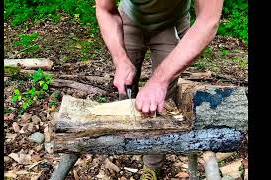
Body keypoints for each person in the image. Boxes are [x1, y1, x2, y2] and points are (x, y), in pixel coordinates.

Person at [95, 0, 224, 179]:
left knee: (160, 104)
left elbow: (208, 20)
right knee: (125, 87)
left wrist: (159, 80)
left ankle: (152, 166)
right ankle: (126, 145)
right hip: (129, 19)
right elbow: (104, 9)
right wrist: (120, 60)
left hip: (171, 25)